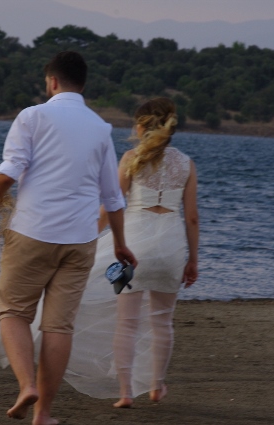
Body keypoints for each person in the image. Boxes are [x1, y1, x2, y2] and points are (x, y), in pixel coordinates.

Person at [0, 51, 137, 425]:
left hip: (33, 231)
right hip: (80, 240)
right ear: (82, 83)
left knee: (13, 312)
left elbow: (9, 172)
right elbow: (113, 197)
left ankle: (26, 385)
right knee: (59, 326)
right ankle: (44, 413)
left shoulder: (32, 116)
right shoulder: (100, 129)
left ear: (52, 82)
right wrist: (119, 244)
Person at [60, 97, 199, 407]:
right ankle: (156, 386)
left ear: (139, 127)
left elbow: (110, 207)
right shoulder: (187, 164)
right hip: (171, 248)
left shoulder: (131, 158)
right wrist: (193, 260)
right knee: (163, 321)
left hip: (133, 249)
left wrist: (84, 237)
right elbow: (192, 218)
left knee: (127, 322)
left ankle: (125, 393)